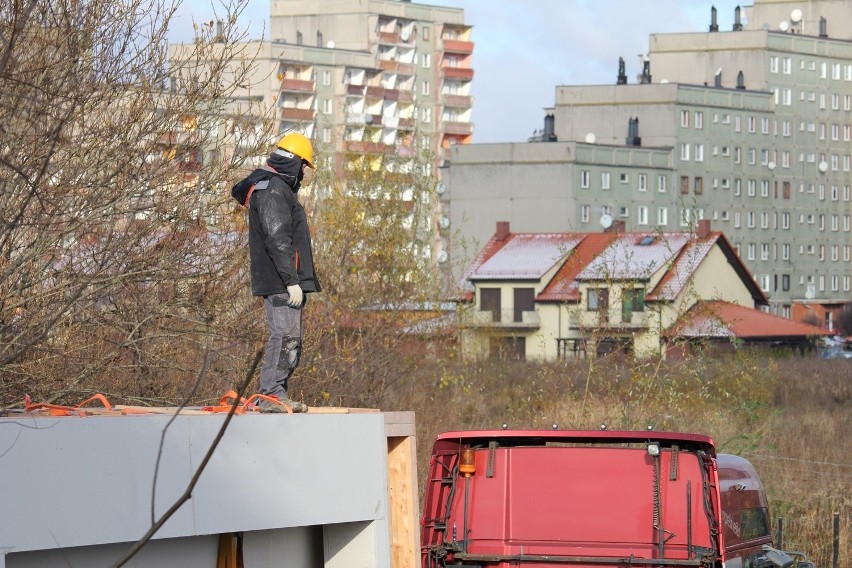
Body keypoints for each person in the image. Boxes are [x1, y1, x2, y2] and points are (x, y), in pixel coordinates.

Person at [231, 132, 321, 413]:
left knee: (290, 340)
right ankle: (271, 395)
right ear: (294, 162)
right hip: (282, 282)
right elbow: (277, 236)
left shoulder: (277, 188)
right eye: (304, 166)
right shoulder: (272, 189)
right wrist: (291, 281)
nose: (304, 173)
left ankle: (275, 394)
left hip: (286, 280)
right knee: (285, 338)